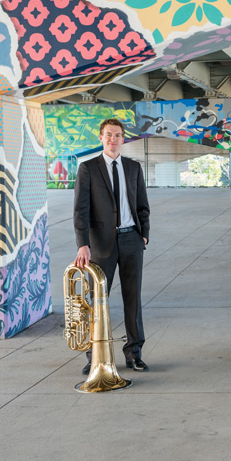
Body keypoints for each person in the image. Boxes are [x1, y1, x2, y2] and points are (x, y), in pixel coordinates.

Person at [73, 118, 150, 373]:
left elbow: (142, 204)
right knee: (96, 301)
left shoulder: (133, 167)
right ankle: (94, 356)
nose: (113, 139)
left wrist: (143, 234)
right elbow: (81, 209)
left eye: (117, 135)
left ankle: (134, 353)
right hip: (100, 243)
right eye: (108, 134)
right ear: (101, 137)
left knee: (133, 299)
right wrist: (83, 244)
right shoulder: (88, 168)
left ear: (123, 138)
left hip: (131, 240)